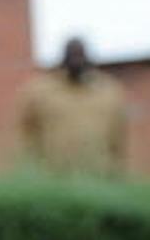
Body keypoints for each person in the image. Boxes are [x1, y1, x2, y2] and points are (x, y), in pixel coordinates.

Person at [17, 36, 129, 176]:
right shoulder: (40, 92)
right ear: (63, 59)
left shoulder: (108, 92)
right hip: (53, 175)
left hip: (98, 174)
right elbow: (25, 133)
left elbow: (119, 137)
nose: (76, 61)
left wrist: (117, 170)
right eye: (72, 56)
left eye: (80, 56)